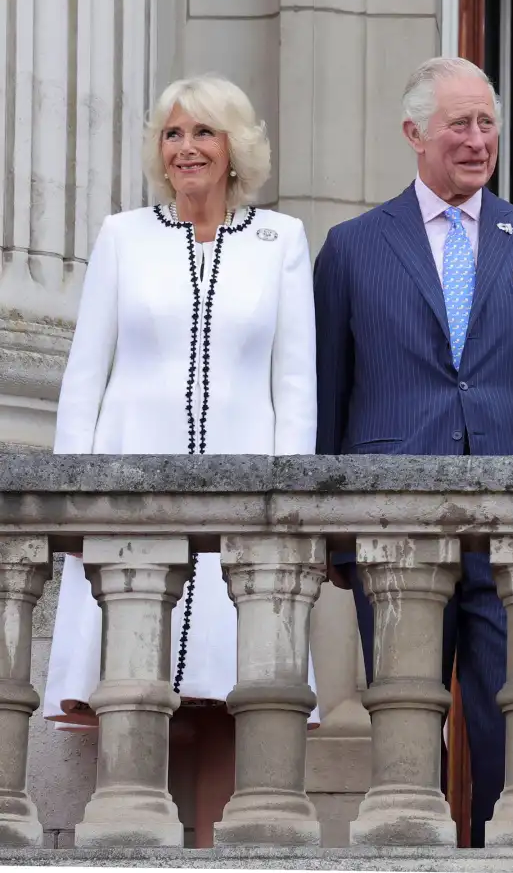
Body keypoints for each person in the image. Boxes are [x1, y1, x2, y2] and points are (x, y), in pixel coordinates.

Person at [314, 56, 513, 846]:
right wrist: (331, 531)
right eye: (460, 125)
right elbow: (328, 398)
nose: (478, 141)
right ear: (414, 134)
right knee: (406, 732)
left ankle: (510, 860)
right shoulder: (351, 247)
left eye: (487, 124)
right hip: (395, 529)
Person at [44, 74, 319, 847]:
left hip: (243, 508)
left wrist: (289, 511)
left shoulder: (281, 242)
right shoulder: (121, 237)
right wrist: (72, 504)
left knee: (232, 697)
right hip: (129, 502)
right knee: (133, 694)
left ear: (236, 149)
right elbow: (83, 380)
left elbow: (294, 386)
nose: (187, 147)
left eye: (204, 132)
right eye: (173, 134)